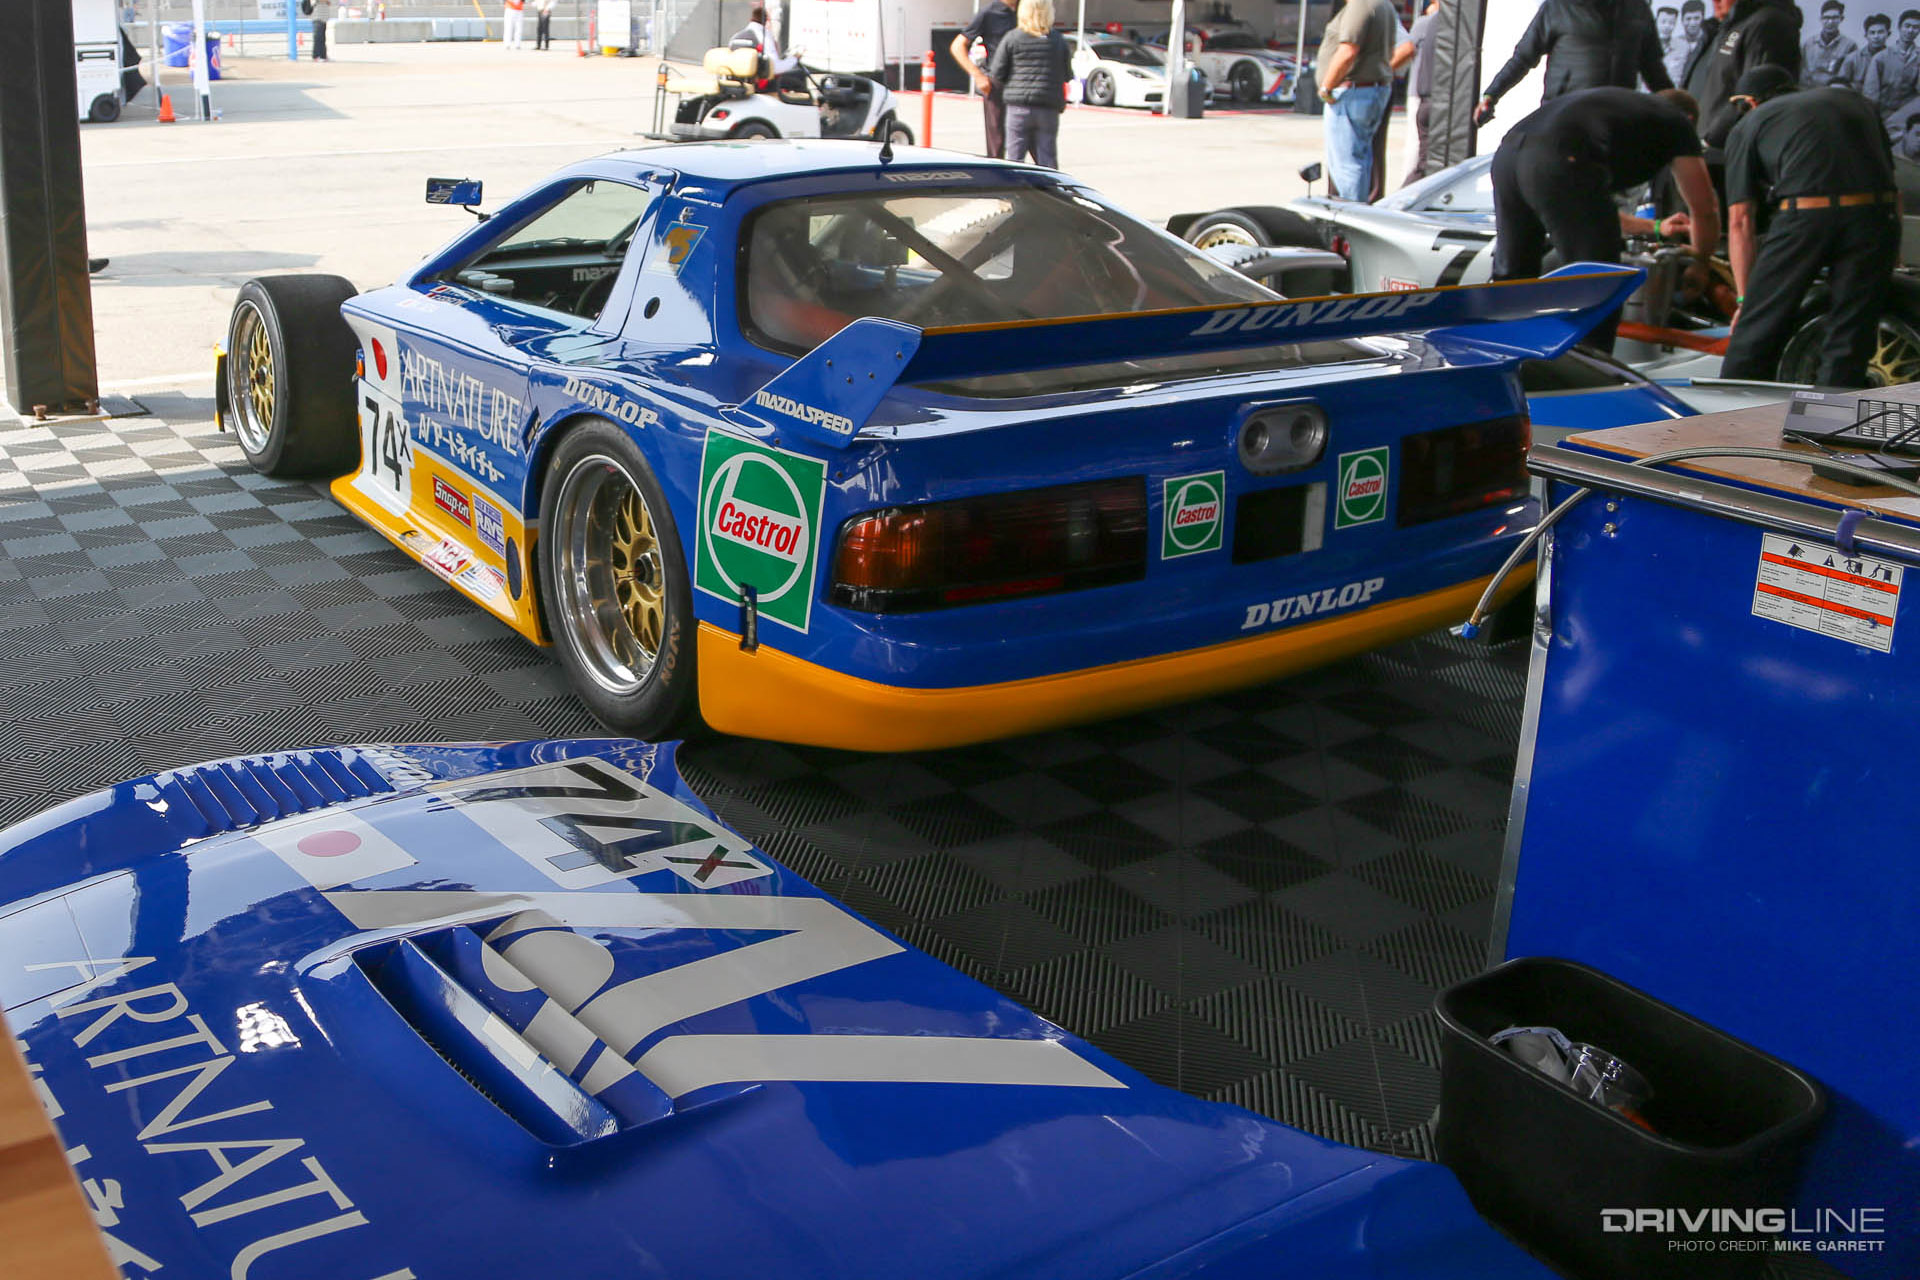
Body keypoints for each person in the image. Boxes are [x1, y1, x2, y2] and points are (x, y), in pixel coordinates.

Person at [1491, 86, 1721, 351]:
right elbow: (1705, 208)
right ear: (1690, 120)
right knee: (1597, 284)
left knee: (1514, 280)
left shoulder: (1621, 110)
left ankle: (1502, 357)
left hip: (1507, 154)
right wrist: (1701, 263)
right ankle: (1588, 369)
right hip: (1560, 158)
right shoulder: (1677, 122)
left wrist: (1656, 227)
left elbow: (1593, 208)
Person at [1720, 65, 1901, 385]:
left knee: (1757, 330)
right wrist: (1891, 254)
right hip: (1876, 216)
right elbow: (1893, 187)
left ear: (1750, 102)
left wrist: (1745, 301)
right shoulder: (1855, 101)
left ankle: (1734, 408)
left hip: (1806, 217)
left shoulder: (1750, 123)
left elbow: (1740, 220)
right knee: (1851, 336)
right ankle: (1831, 413)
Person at [1475, 0, 1672, 126]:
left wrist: (1680, 108)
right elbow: (1523, 58)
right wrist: (1491, 95)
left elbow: (1654, 72)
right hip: (1563, 119)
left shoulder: (1637, 9)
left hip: (1616, 121)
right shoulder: (1558, 7)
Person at [1315, 0, 1398, 203]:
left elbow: (1348, 50)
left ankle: (1350, 216)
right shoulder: (1383, 5)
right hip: (1369, 90)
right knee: (1360, 160)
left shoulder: (1361, 5)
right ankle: (1358, 209)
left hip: (1353, 93)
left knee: (1346, 165)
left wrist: (1326, 87)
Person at [1686, 0, 1802, 145]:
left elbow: (1757, 95)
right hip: (1702, 146)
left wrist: (1711, 140)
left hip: (1724, 149)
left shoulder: (1767, 23)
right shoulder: (1721, 28)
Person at [989, 0, 1071, 167]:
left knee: (1015, 159)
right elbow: (1067, 74)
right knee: (1047, 158)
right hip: (1048, 107)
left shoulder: (1012, 37)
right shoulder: (1058, 40)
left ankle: (1015, 184)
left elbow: (997, 72)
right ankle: (1049, 184)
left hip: (1018, 106)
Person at [952, 0, 1018, 157]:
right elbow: (957, 46)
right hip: (998, 85)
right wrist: (978, 75)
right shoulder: (989, 13)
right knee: (997, 144)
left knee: (1031, 142)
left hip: (1024, 83)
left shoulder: (1028, 10)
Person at [1402, 0, 1441, 185]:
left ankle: (1408, 188)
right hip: (1429, 94)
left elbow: (1407, 49)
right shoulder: (1437, 22)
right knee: (1421, 150)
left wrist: (1386, 70)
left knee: (1417, 148)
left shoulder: (1426, 22)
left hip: (1420, 93)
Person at [733, 5, 802, 90]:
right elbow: (776, 68)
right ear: (766, 21)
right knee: (799, 76)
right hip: (760, 85)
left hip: (739, 82)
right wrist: (794, 59)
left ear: (751, 19)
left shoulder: (736, 37)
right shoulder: (764, 37)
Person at [1865, 10, 1920, 116]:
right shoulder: (1881, 57)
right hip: (1884, 112)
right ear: (1899, 27)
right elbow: (1871, 93)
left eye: (1915, 27)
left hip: (1912, 114)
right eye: (1907, 26)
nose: (1910, 30)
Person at [1803, 1, 1859, 85]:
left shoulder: (1850, 46)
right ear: (1820, 19)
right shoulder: (1809, 44)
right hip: (1810, 90)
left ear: (1841, 19)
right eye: (1826, 18)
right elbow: (1803, 73)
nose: (1830, 22)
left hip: (1835, 91)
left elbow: (1850, 77)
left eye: (1834, 18)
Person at [1840, 13, 1891, 89]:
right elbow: (1840, 85)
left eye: (1880, 32)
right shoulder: (1852, 59)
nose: (1876, 36)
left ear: (1888, 34)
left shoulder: (1894, 58)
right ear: (1866, 35)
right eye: (1872, 33)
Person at [1668, 0, 1706, 81]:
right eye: (1688, 19)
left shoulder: (1710, 43)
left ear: (1703, 19)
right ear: (1682, 20)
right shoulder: (1673, 45)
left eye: (1696, 18)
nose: (1692, 23)